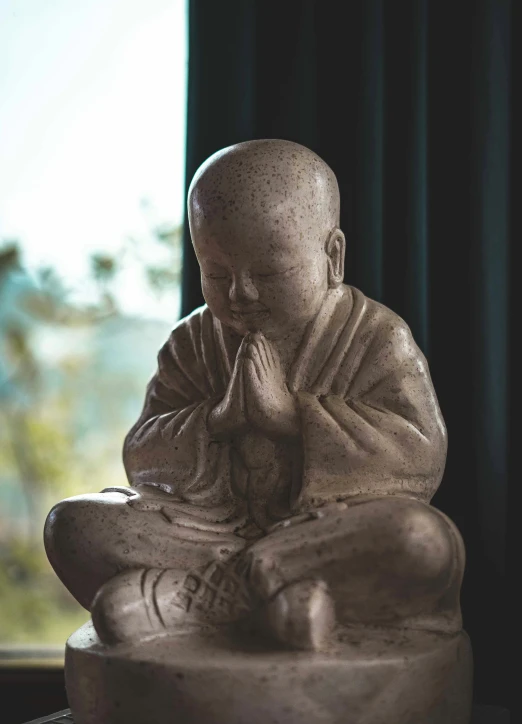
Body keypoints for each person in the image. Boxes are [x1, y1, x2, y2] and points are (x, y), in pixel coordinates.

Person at [44, 139, 464, 651]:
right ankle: (281, 600)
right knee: (72, 524)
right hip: (208, 534)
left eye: (268, 273)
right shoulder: (193, 341)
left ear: (332, 255)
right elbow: (143, 453)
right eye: (216, 274)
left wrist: (292, 418)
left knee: (423, 540)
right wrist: (217, 421)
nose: (240, 292)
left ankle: (199, 601)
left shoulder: (374, 337)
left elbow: (418, 457)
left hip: (322, 534)